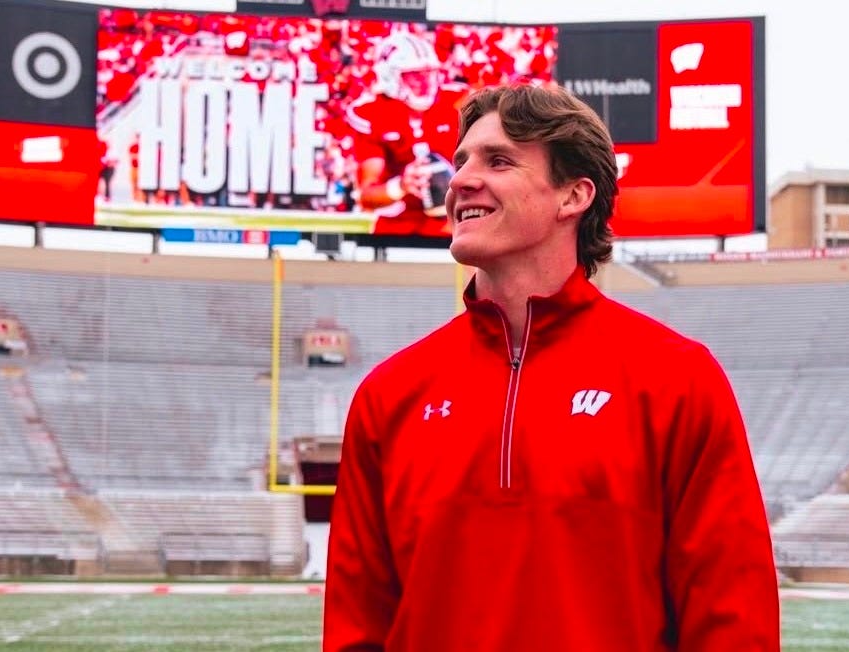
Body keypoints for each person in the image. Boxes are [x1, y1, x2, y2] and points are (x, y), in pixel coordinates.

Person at [324, 83, 779, 651]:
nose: (460, 179)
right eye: (461, 160)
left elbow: (731, 612)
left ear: (573, 196)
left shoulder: (676, 378)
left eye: (498, 160)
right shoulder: (391, 393)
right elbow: (357, 621)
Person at [344, 31, 467, 237]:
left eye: (429, 72)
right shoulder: (372, 112)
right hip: (398, 226)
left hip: (454, 224)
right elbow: (367, 196)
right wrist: (402, 185)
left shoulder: (458, 101)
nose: (426, 82)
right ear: (389, 75)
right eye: (415, 74)